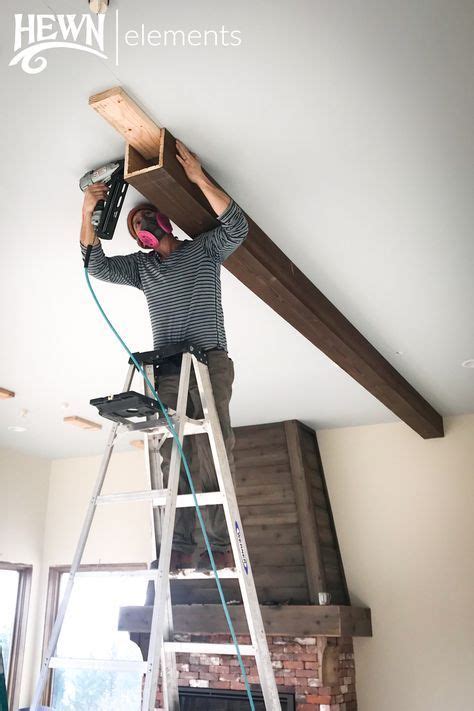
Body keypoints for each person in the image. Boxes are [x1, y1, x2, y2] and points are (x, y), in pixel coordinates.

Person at [80, 140, 249, 570]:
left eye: (145, 219)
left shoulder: (203, 251)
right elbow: (95, 265)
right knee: (173, 452)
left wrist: (197, 178)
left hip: (209, 360)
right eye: (135, 226)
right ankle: (178, 546)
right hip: (168, 366)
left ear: (164, 223)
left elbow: (236, 228)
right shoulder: (142, 268)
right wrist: (87, 214)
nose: (141, 227)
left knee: (211, 447)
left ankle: (217, 543)